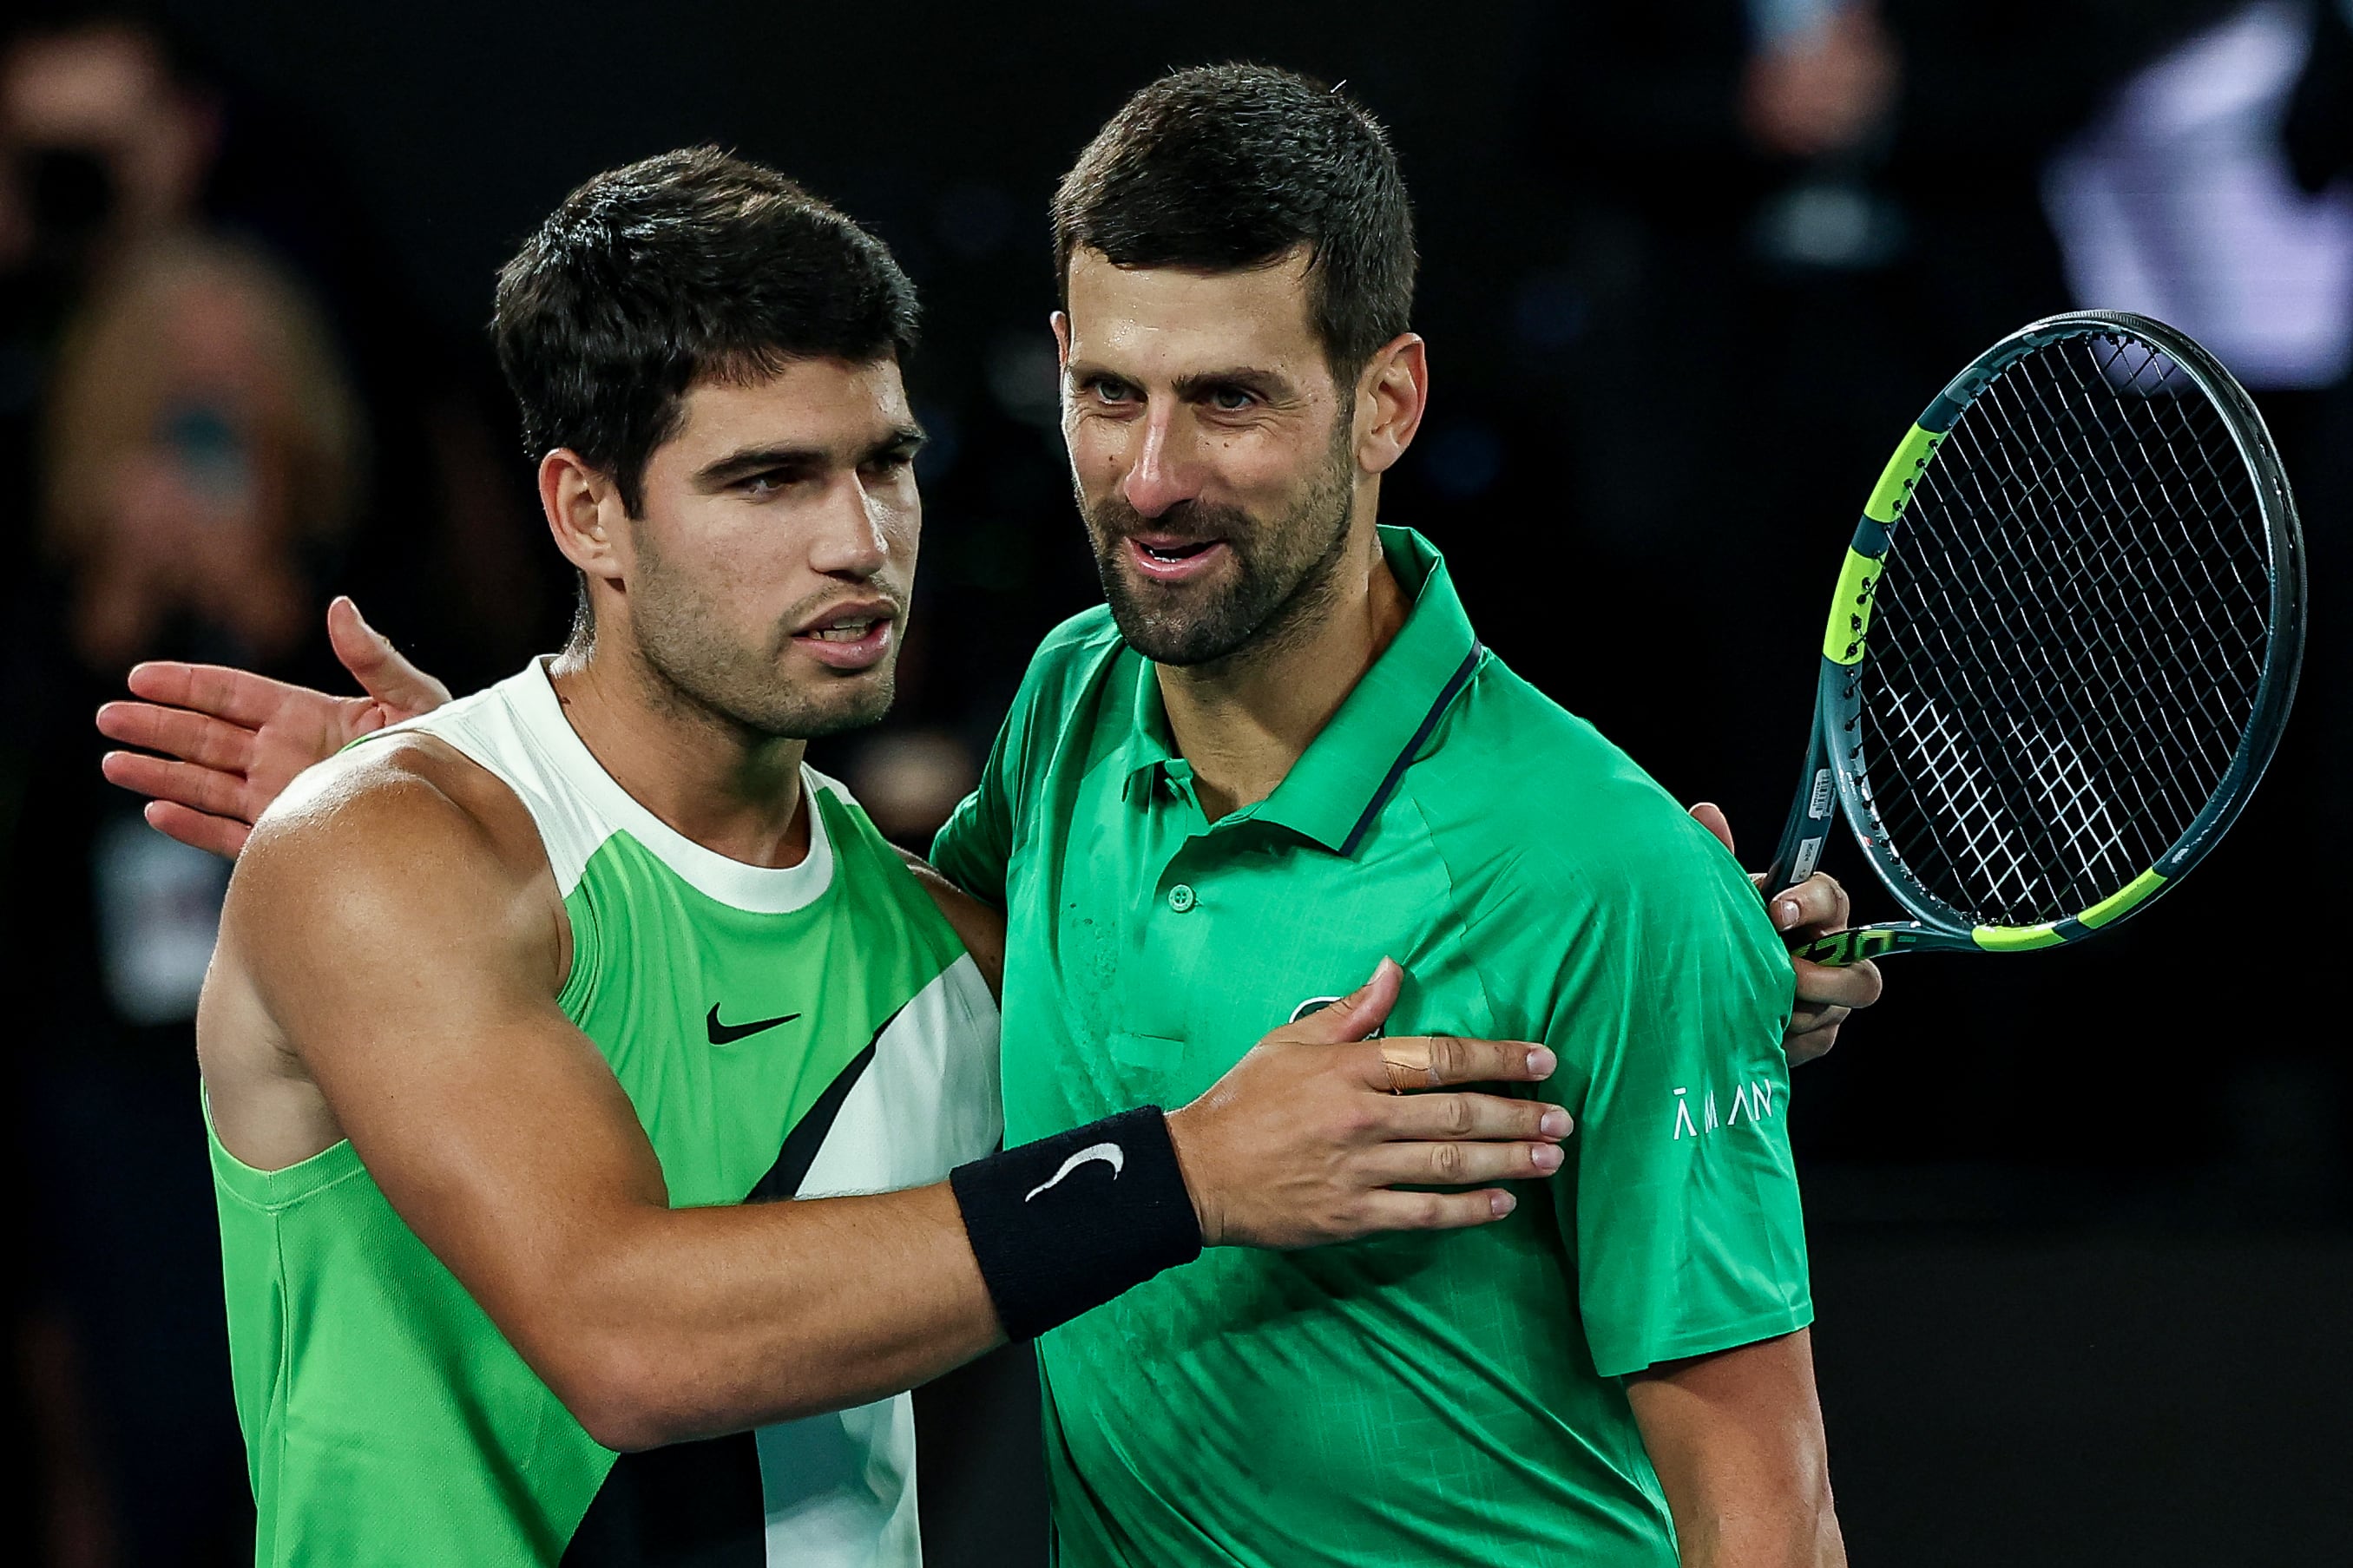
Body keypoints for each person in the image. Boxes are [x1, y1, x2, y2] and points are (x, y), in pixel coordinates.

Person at [102, 102, 1880, 1568]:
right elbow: (637, 1322)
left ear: (1387, 404)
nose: (858, 542)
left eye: (885, 465)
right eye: (767, 479)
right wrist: (484, 784)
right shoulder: (1062, 716)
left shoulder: (1580, 869)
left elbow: (1771, 1516)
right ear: (586, 511)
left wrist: (1672, 965)